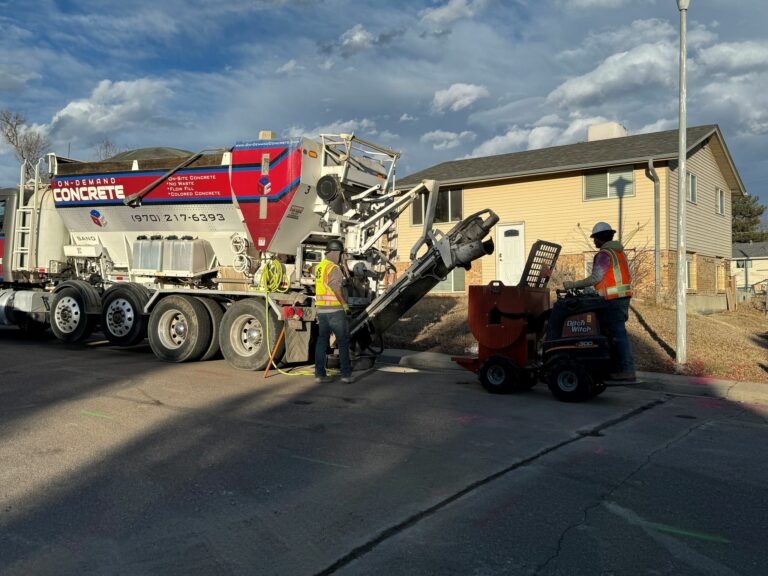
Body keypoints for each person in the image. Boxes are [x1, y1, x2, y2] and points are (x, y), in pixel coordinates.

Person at [548, 222, 636, 381]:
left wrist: (573, 285)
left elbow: (596, 277)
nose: (594, 242)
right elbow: (606, 280)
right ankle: (614, 367)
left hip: (611, 300)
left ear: (601, 238)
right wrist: (590, 290)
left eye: (595, 238)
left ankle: (627, 370)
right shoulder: (619, 253)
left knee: (617, 334)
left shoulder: (605, 254)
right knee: (610, 333)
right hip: (619, 297)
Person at [314, 238, 353, 383]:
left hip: (322, 310)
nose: (341, 256)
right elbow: (336, 288)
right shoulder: (334, 268)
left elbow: (314, 273)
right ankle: (346, 375)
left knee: (322, 342)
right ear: (337, 253)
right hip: (335, 311)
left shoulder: (320, 267)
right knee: (342, 342)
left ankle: (319, 375)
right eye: (341, 253)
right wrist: (345, 306)